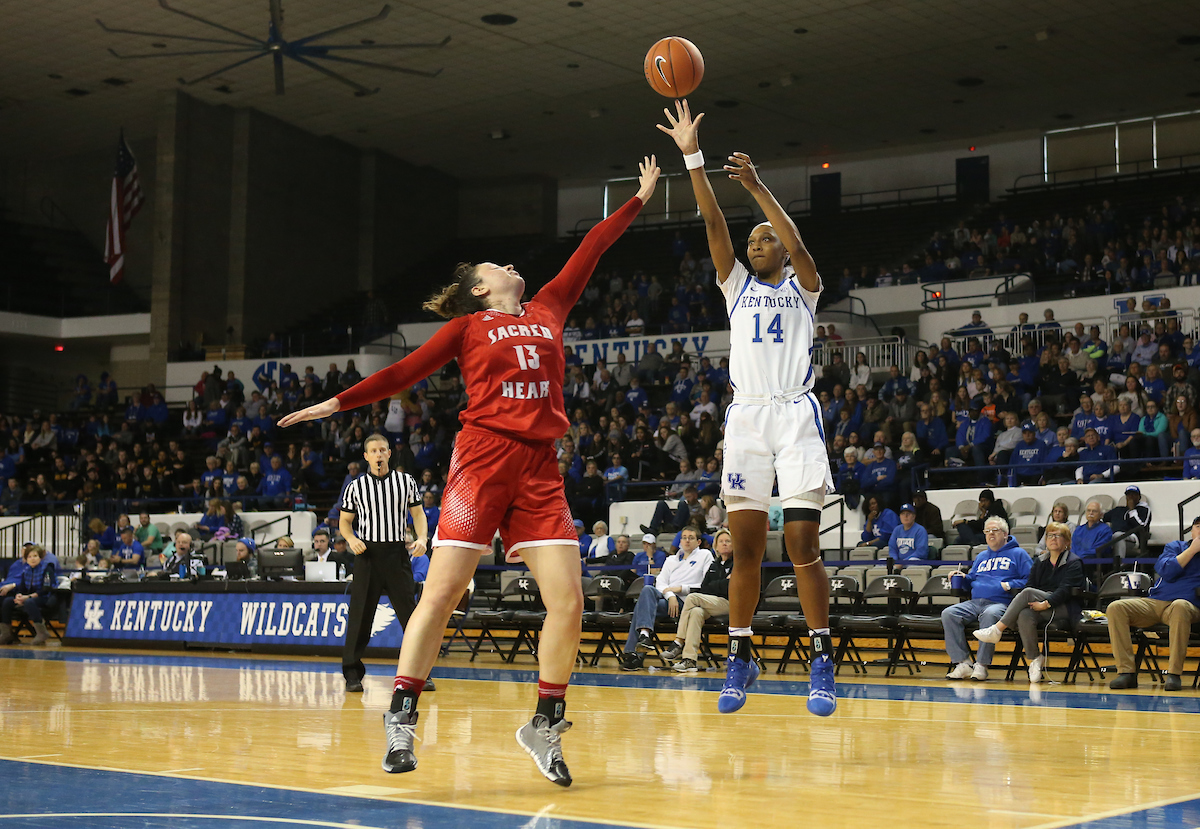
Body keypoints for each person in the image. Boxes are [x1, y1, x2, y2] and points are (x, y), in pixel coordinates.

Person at [278, 155, 660, 786]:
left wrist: (640, 197)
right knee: (443, 593)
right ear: (480, 289)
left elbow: (592, 247)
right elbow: (401, 374)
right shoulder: (466, 327)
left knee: (569, 601)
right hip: (481, 464)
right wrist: (334, 403)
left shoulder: (548, 310)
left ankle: (545, 723)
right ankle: (401, 714)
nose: (513, 266)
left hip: (539, 470)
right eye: (496, 267)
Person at [659, 99, 836, 717]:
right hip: (749, 418)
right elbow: (712, 224)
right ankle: (740, 653)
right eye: (754, 239)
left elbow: (797, 241)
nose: (756, 243)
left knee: (803, 539)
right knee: (747, 545)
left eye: (765, 239)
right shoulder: (735, 289)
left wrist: (759, 189)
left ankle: (821, 655)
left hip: (796, 415)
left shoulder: (804, 287)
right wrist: (693, 159)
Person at [337, 433, 429, 693]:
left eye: (382, 450)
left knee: (411, 616)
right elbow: (345, 521)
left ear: (390, 453)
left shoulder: (406, 481)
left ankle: (421, 672)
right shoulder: (355, 486)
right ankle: (352, 673)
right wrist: (351, 538)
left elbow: (418, 514)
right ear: (366, 456)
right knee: (360, 617)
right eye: (373, 451)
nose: (378, 455)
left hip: (396, 553)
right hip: (367, 555)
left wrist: (422, 537)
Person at [971, 520, 1084, 682]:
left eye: (1058, 536)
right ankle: (1035, 659)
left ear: (1067, 541)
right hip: (1040, 605)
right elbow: (1030, 583)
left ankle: (997, 629)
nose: (1053, 538)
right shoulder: (1040, 561)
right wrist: (1037, 604)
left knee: (1028, 592)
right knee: (1024, 614)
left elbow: (1065, 590)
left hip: (1065, 607)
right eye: (1049, 535)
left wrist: (1045, 603)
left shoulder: (1074, 562)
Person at [1106, 517, 1200, 691]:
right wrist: (1192, 550)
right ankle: (1126, 673)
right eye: (1198, 526)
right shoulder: (1176, 547)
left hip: (1186, 606)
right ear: (1192, 530)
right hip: (1155, 601)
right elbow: (1166, 571)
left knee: (1180, 606)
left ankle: (1174, 674)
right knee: (1116, 608)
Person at [942, 517, 1032, 681]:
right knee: (949, 613)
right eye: (987, 531)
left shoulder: (1019, 554)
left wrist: (1009, 584)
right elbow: (972, 580)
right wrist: (961, 577)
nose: (990, 534)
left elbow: (1031, 580)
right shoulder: (982, 556)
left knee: (990, 615)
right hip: (975, 602)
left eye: (995, 530)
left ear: (1005, 534)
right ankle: (963, 663)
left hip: (1002, 603)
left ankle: (981, 665)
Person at [618, 525, 713, 669]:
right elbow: (661, 582)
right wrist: (670, 596)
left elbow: (705, 584)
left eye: (691, 538)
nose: (687, 541)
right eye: (684, 538)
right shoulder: (671, 559)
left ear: (698, 542)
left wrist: (679, 590)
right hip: (668, 601)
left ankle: (634, 655)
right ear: (680, 541)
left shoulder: (705, 555)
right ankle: (644, 636)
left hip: (687, 602)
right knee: (648, 589)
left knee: (640, 608)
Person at [660, 528, 734, 672]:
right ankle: (689, 659)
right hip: (712, 602)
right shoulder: (715, 565)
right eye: (721, 541)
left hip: (732, 604)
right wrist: (722, 583)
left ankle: (678, 641)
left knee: (692, 597)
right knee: (696, 611)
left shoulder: (738, 564)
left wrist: (719, 585)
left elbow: (729, 588)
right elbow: (706, 587)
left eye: (728, 541)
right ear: (716, 546)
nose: (724, 544)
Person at [0, 545, 56, 645]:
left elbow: (45, 589)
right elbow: (22, 587)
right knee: (8, 601)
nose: (32, 559)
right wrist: (19, 596)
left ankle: (41, 633)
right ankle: (6, 633)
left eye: (35, 556)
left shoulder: (47, 568)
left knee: (30, 602)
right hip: (28, 597)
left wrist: (28, 597)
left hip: (44, 598)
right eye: (29, 557)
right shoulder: (26, 570)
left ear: (40, 557)